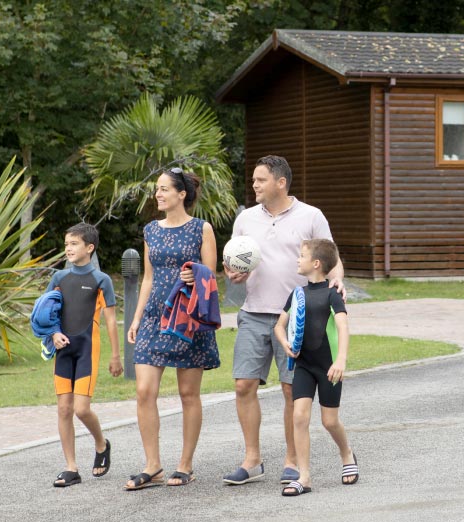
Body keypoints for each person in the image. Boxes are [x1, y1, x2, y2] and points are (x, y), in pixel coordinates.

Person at [218, 155, 345, 486]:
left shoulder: (311, 216)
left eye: (261, 180)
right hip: (252, 312)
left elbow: (333, 259)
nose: (254, 185)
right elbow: (234, 263)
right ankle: (252, 459)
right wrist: (233, 274)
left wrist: (338, 281)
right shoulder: (245, 219)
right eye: (254, 180)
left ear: (280, 182)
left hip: (295, 318)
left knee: (292, 390)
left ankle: (292, 459)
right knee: (243, 384)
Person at [125, 167, 219, 490]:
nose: (158, 194)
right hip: (154, 318)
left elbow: (211, 274)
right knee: (143, 391)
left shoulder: (201, 229)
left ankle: (185, 465)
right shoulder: (151, 230)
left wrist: (198, 275)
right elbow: (148, 278)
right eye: (157, 189)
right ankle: (153, 466)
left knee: (188, 393)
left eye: (164, 189)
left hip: (187, 317)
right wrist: (136, 318)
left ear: (182, 194)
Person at [274, 239, 358, 496]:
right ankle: (304, 476)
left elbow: (343, 327)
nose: (298, 259)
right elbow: (279, 325)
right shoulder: (297, 294)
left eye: (302, 256)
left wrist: (341, 360)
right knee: (299, 416)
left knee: (329, 421)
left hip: (329, 366)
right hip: (304, 365)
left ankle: (347, 454)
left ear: (316, 263)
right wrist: (284, 342)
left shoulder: (333, 295)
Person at [47, 223, 123, 487]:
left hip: (87, 350)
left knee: (81, 409)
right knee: (64, 408)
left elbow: (112, 321)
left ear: (89, 248)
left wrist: (116, 356)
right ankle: (71, 468)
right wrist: (53, 334)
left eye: (74, 243)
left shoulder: (101, 280)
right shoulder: (58, 278)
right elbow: (48, 313)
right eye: (66, 243)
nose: (68, 248)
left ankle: (101, 444)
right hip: (63, 349)